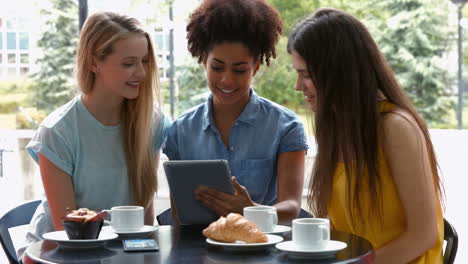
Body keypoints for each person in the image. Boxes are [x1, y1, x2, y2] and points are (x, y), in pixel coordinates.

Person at [288, 8, 444, 263]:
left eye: (306, 74)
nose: (298, 86)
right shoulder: (336, 127)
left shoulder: (395, 128)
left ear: (338, 72)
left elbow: (422, 236)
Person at [17, 12, 170, 260]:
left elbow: (144, 212)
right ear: (94, 63)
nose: (141, 73)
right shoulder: (57, 132)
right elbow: (67, 231)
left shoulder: (151, 122)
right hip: (55, 253)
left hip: (116, 251)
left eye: (144, 61)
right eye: (129, 63)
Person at [162, 0, 308, 224]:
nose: (227, 79)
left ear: (256, 67)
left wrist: (249, 210)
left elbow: (291, 208)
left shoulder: (286, 127)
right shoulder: (181, 130)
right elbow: (178, 214)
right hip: (200, 249)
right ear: (203, 62)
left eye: (239, 70)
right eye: (217, 67)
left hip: (263, 247)